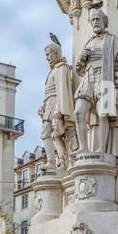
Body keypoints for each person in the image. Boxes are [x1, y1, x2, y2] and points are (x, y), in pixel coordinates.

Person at [74, 8, 118, 155]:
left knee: (103, 113)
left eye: (97, 19)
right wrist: (81, 60)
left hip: (105, 78)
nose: (94, 22)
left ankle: (102, 149)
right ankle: (83, 147)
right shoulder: (88, 42)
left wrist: (117, 88)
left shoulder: (112, 39)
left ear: (104, 22)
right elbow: (79, 70)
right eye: (92, 20)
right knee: (79, 112)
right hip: (88, 78)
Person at [38, 42, 76, 170]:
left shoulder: (61, 68)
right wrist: (43, 107)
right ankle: (59, 161)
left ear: (56, 53)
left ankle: (56, 161)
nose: (47, 58)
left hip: (55, 105)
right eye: (46, 55)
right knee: (52, 134)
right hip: (49, 105)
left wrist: (59, 110)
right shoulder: (55, 70)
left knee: (51, 133)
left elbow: (62, 91)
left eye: (49, 54)